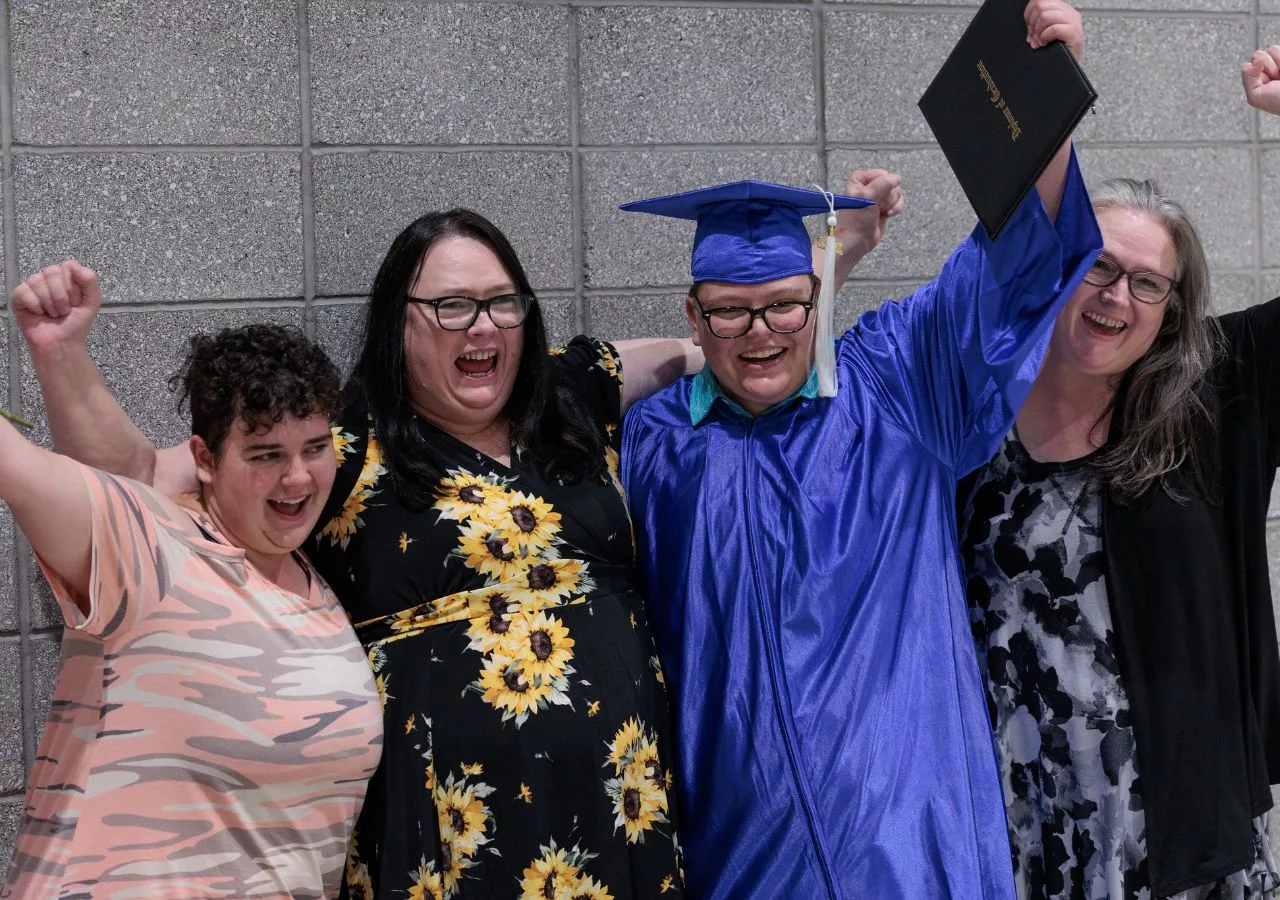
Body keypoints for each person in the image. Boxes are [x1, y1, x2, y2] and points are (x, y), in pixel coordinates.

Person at [17, 174, 897, 898]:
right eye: (450, 307)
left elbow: (728, 338)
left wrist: (831, 258)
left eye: (501, 304)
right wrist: (64, 357)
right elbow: (137, 489)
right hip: (445, 843)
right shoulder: (343, 442)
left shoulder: (574, 394)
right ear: (398, 326)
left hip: (623, 813)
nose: (482, 327)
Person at [618, 2, 1100, 896]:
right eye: (727, 309)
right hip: (742, 859)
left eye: (786, 305)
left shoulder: (893, 386)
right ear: (693, 318)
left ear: (820, 298)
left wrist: (1045, 101)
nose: (758, 333)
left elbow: (1012, 271)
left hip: (915, 848)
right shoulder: (654, 443)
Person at [954, 50, 1280, 900]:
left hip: (1174, 838)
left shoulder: (1211, 400)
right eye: (1096, 265)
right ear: (1059, 270)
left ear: (1171, 308)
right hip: (1018, 832)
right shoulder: (970, 418)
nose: (1116, 296)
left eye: (1147, 283)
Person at [0, 304, 383, 898]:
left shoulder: (314, 582)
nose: (299, 478)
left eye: (314, 448)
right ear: (205, 459)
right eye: (266, 455)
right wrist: (60, 355)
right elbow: (25, 467)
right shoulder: (151, 548)